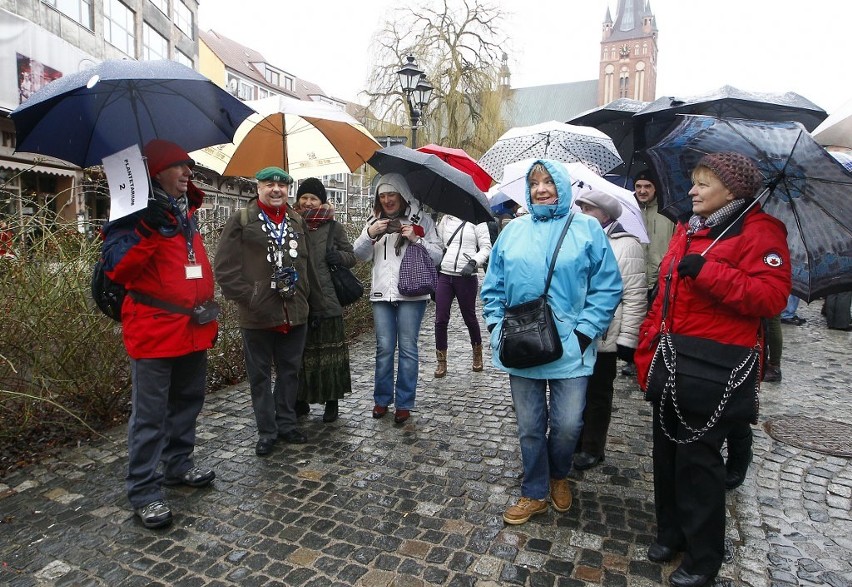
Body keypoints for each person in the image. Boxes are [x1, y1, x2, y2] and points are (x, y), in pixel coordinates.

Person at [635, 152, 791, 587]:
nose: (691, 191)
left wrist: (708, 272)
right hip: (671, 360)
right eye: (693, 182)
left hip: (714, 367)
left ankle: (704, 558)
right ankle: (671, 533)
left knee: (699, 464)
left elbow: (771, 298)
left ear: (733, 190)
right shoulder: (690, 228)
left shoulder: (761, 231)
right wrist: (645, 350)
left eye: (703, 184)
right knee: (665, 456)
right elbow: (664, 295)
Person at [481, 160, 622, 525]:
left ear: (562, 186)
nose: (541, 189)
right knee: (529, 425)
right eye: (534, 183)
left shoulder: (587, 228)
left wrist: (583, 333)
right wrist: (497, 326)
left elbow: (607, 287)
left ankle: (560, 474)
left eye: (548, 182)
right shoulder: (512, 231)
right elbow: (493, 286)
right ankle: (534, 490)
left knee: (567, 426)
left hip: (571, 349)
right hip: (521, 345)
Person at [102, 139, 218, 529]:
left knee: (187, 402)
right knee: (150, 416)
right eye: (178, 167)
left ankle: (177, 464)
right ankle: (144, 490)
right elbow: (119, 269)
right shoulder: (132, 215)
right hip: (154, 332)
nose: (188, 173)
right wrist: (149, 228)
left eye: (188, 166)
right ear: (156, 172)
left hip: (191, 328)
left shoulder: (188, 211)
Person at [214, 166, 325, 457]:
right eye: (269, 184)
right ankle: (267, 431)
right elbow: (225, 269)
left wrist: (313, 303)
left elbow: (309, 265)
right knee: (260, 376)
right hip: (257, 315)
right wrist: (252, 296)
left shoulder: (297, 220)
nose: (276, 189)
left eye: (282, 184)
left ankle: (286, 423)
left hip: (295, 311)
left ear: (288, 189)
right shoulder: (242, 220)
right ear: (258, 187)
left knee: (290, 372)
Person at [352, 173, 442, 425]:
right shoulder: (374, 220)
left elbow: (436, 257)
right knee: (383, 349)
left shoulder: (421, 220)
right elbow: (359, 255)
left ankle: (404, 403)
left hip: (412, 294)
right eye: (382, 196)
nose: (387, 200)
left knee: (408, 349)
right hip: (381, 294)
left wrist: (417, 238)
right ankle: (381, 400)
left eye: (392, 194)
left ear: (402, 195)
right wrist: (370, 233)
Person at [572, 189, 647, 471]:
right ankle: (573, 440)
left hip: (605, 333)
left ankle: (593, 447)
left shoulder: (627, 245)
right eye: (581, 208)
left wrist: (628, 338)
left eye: (589, 209)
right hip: (576, 330)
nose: (584, 213)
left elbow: (635, 296)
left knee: (599, 393)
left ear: (606, 214)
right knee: (573, 389)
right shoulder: (578, 238)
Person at [291, 177, 355, 423]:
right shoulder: (291, 223)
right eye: (304, 197)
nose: (307, 202)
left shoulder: (333, 227)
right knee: (301, 355)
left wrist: (337, 256)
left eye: (313, 198)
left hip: (327, 299)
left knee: (330, 356)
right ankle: (300, 401)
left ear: (322, 201)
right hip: (299, 299)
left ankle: (331, 402)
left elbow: (351, 256)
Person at [623, 169, 676, 377]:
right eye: (638, 187)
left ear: (656, 188)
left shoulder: (667, 213)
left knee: (655, 321)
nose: (642, 191)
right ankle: (633, 359)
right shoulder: (628, 210)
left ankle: (652, 358)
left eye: (647, 186)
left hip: (659, 275)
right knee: (635, 319)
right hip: (635, 274)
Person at [433, 214, 492, 378]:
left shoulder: (477, 221)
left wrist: (474, 262)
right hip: (445, 275)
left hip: (466, 276)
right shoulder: (446, 219)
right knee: (441, 318)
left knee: (469, 317)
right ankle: (441, 361)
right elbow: (438, 244)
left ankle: (477, 353)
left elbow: (486, 247)